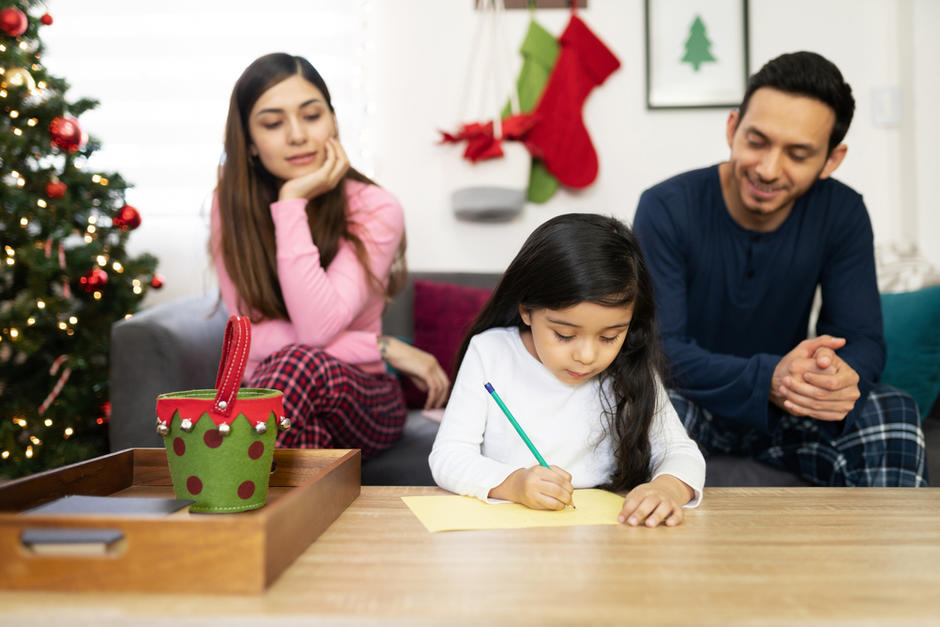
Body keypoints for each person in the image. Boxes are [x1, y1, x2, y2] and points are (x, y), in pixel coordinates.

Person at [633, 51, 927, 486]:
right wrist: (768, 376)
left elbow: (862, 338)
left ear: (832, 160)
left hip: (791, 406)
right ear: (732, 129)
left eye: (798, 154)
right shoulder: (666, 207)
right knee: (644, 408)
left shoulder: (843, 212)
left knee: (895, 412)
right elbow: (660, 347)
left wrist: (834, 376)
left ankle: (884, 536)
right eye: (757, 142)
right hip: (694, 400)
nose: (768, 170)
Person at [211, 52, 449, 459]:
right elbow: (250, 338)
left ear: (333, 122)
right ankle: (291, 499)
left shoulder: (375, 208)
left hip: (362, 396)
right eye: (273, 123)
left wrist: (291, 203)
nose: (297, 135)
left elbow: (316, 331)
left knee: (297, 364)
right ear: (248, 142)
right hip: (271, 396)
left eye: (311, 116)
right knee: (304, 434)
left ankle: (227, 487)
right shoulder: (227, 207)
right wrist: (381, 345)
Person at [429, 214, 706, 527]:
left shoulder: (630, 363)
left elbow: (681, 451)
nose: (587, 356)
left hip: (606, 536)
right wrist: (514, 484)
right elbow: (448, 456)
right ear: (527, 310)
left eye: (609, 337)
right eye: (564, 334)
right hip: (508, 537)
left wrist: (667, 489)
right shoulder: (490, 352)